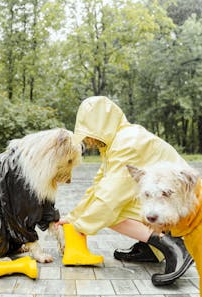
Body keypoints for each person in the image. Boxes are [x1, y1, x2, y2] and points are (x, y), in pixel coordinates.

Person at [59, 96, 193, 286]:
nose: (88, 140)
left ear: (101, 125)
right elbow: (98, 186)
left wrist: (80, 227)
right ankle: (151, 249)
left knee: (111, 210)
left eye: (89, 132)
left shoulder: (128, 143)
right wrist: (73, 217)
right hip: (169, 201)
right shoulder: (117, 143)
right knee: (106, 206)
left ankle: (176, 248)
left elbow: (110, 197)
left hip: (182, 207)